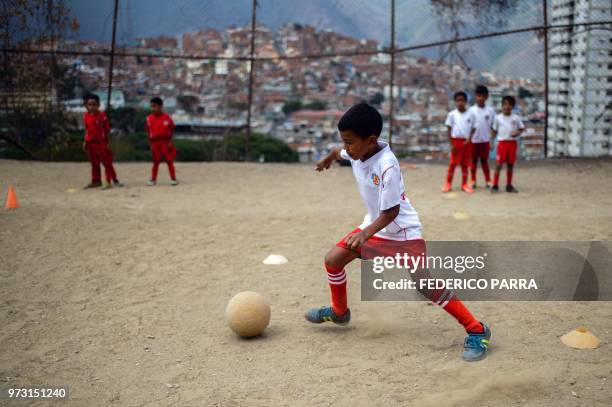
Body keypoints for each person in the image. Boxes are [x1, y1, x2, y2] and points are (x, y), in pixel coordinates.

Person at [305, 102, 491, 361]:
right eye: (344, 141)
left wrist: (365, 233)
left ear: (371, 141)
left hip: (402, 232)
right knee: (333, 260)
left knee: (425, 285)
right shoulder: (357, 151)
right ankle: (339, 312)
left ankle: (477, 330)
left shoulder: (387, 166)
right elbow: (340, 153)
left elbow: (390, 212)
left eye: (349, 142)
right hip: (374, 227)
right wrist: (330, 157)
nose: (346, 147)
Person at [82, 93, 122, 190]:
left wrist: (108, 144)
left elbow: (107, 131)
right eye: (89, 105)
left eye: (94, 104)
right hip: (91, 143)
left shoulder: (102, 116)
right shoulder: (86, 116)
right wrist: (85, 142)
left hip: (101, 143)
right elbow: (87, 130)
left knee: (106, 163)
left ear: (98, 105)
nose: (92, 107)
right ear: (86, 105)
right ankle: (96, 181)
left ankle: (108, 181)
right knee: (94, 164)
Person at [442, 92, 475, 193]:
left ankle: (464, 184)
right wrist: (451, 143)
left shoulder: (471, 114)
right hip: (456, 141)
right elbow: (448, 128)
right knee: (453, 163)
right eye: (458, 100)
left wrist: (469, 138)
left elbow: (474, 128)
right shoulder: (452, 114)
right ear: (455, 102)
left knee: (465, 164)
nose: (460, 103)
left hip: (466, 142)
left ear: (465, 102)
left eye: (462, 100)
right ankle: (448, 183)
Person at [491, 95, 524, 193]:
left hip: (512, 143)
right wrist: (491, 142)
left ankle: (509, 185)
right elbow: (494, 131)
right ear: (502, 105)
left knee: (510, 165)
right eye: (505, 104)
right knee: (498, 165)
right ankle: (495, 185)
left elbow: (521, 128)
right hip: (502, 143)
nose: (507, 106)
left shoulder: (516, 118)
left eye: (509, 104)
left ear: (512, 106)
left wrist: (517, 133)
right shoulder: (498, 118)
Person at [145, 97, 178, 186]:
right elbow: (148, 132)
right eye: (151, 106)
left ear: (160, 106)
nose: (153, 108)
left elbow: (172, 129)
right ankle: (153, 179)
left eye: (155, 106)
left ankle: (173, 179)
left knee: (169, 161)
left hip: (165, 142)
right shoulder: (149, 119)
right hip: (155, 142)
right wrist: (150, 144)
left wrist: (170, 141)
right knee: (155, 162)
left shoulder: (166, 117)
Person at [468, 85, 495, 189]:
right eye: (479, 96)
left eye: (483, 96)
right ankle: (473, 180)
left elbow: (493, 127)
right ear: (475, 96)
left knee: (484, 161)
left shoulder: (490, 111)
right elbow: (469, 126)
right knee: (473, 161)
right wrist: (468, 139)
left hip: (485, 140)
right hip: (474, 141)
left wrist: (491, 141)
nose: (480, 98)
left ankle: (488, 180)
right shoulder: (471, 111)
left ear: (487, 97)